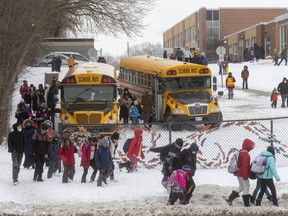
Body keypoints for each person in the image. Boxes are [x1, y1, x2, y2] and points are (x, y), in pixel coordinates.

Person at [225, 138, 255, 207]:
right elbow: (244, 166)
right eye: (251, 146)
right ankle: (246, 203)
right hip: (242, 173)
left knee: (241, 186)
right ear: (248, 146)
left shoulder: (241, 152)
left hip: (238, 172)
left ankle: (229, 198)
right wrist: (245, 175)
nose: (252, 148)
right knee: (246, 186)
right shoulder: (245, 154)